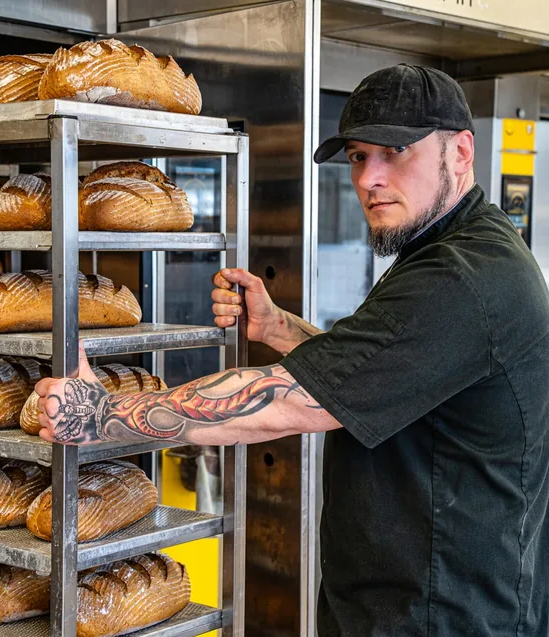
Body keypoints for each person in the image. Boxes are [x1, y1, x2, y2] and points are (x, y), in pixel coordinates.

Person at [34, 65, 549, 637]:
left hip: (442, 616)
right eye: (357, 155)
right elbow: (375, 373)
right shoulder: (458, 249)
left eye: (395, 151)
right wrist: (280, 329)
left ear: (460, 152)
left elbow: (295, 403)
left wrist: (101, 415)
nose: (370, 178)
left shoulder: (460, 277)